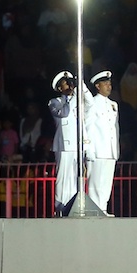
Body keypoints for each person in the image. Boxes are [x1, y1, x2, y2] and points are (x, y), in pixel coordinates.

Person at [48, 70, 91, 215]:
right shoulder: (55, 102)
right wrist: (74, 97)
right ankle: (60, 207)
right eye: (66, 83)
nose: (70, 86)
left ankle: (73, 206)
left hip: (78, 144)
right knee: (63, 177)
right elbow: (64, 113)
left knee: (75, 177)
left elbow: (90, 103)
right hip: (64, 145)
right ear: (60, 88)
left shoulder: (78, 99)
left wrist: (81, 87)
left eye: (71, 82)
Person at [85, 70, 119, 216]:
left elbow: (115, 128)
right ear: (98, 86)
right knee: (95, 182)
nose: (109, 86)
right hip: (98, 148)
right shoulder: (92, 103)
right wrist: (89, 148)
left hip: (110, 149)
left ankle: (103, 207)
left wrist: (115, 149)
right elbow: (88, 126)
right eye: (105, 84)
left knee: (106, 182)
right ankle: (94, 208)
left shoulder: (113, 104)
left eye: (110, 84)